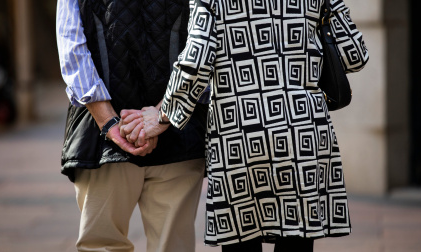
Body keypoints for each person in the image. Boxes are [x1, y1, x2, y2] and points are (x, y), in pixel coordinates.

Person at [120, 0, 369, 251]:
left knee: (241, 239)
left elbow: (197, 61)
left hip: (239, 134)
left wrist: (163, 114)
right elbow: (354, 56)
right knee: (298, 238)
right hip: (302, 130)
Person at [55, 0, 209, 251]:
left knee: (102, 245)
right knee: (172, 246)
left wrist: (111, 123)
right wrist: (162, 114)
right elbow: (209, 40)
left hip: (103, 137)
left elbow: (70, 41)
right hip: (178, 127)